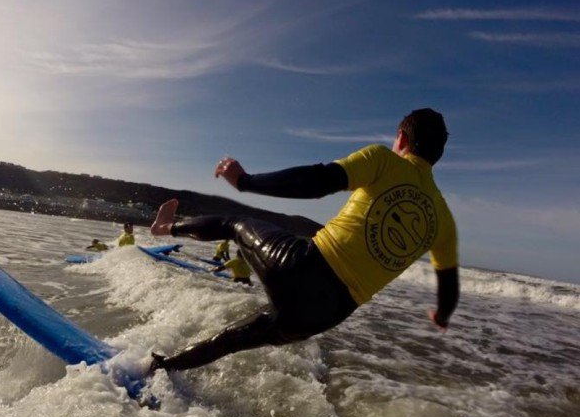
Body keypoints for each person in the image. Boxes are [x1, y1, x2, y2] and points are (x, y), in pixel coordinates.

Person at [146, 108, 458, 373]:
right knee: (230, 340)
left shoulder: (384, 161)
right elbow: (448, 285)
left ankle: (165, 227)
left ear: (401, 138)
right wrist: (441, 316)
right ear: (437, 156)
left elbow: (318, 181)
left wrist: (245, 182)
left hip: (303, 267)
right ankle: (162, 369)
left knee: (234, 222)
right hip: (324, 315)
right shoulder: (443, 218)